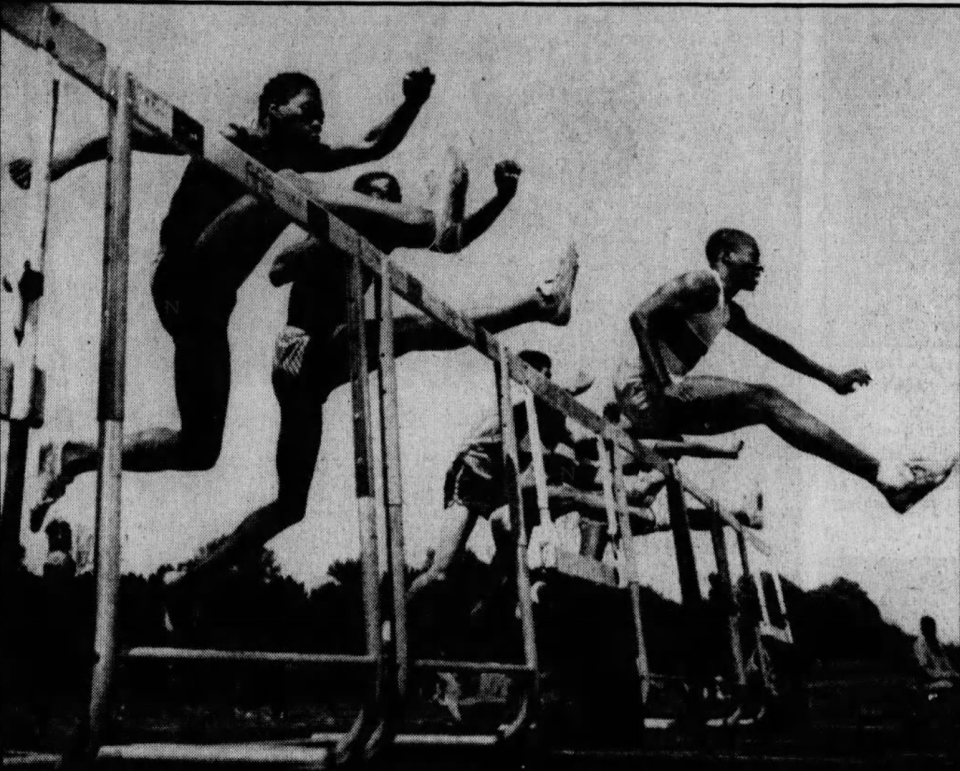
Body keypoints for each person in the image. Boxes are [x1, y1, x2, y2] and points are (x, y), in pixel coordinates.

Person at [10, 68, 438, 532]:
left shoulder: (301, 154)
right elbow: (130, 134)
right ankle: (413, 222)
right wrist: (56, 163)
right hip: (182, 274)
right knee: (289, 183)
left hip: (209, 310)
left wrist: (412, 102)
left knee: (199, 448)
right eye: (308, 112)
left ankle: (73, 457)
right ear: (272, 110)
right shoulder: (231, 140)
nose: (318, 125)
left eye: (322, 117)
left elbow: (372, 145)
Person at [162, 165, 580, 598]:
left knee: (291, 506)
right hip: (300, 350)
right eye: (378, 200)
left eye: (393, 202)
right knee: (412, 331)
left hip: (327, 362)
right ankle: (536, 305)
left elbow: (452, 237)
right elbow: (278, 269)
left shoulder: (387, 235)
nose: (388, 210)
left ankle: (191, 581)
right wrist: (344, 240)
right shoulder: (329, 230)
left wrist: (502, 197)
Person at [613, 227, 956, 515]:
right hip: (644, 389)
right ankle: (887, 477)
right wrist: (663, 385)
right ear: (726, 256)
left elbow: (774, 347)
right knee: (766, 399)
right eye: (753, 258)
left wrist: (831, 378)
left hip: (655, 402)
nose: (760, 267)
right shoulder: (705, 282)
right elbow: (641, 316)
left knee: (768, 408)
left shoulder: (727, 310)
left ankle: (887, 483)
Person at [914, 615, 959, 695]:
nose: (933, 629)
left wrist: (953, 673)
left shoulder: (937, 644)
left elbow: (947, 664)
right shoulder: (920, 645)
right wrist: (945, 675)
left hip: (943, 677)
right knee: (949, 686)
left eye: (933, 627)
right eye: (930, 627)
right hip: (930, 682)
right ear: (924, 628)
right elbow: (925, 670)